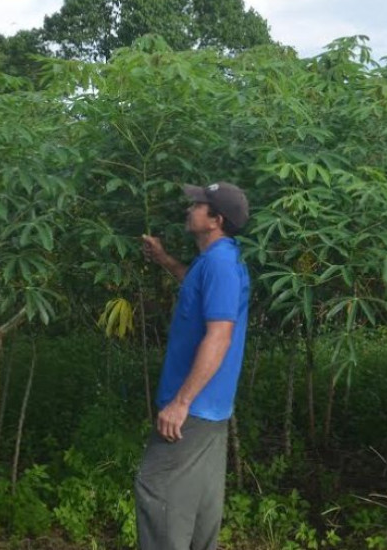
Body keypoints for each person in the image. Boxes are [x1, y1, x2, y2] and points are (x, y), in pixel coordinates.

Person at [135, 181, 250, 550]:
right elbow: (198, 288)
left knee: (158, 491)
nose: (189, 209)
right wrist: (166, 260)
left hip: (194, 407)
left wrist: (181, 402)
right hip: (210, 407)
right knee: (198, 501)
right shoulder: (215, 260)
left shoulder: (221, 265)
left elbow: (219, 337)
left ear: (215, 219)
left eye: (198, 205)